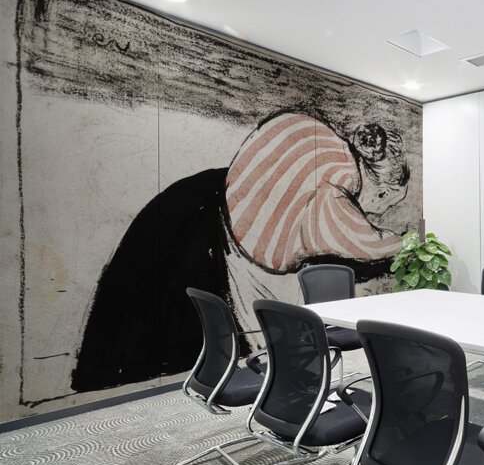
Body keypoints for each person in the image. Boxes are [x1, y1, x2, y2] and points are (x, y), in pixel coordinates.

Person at [70, 112, 410, 392]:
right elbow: (363, 242)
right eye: (382, 202)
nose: (374, 212)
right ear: (379, 188)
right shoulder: (337, 185)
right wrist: (408, 241)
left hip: (206, 201)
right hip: (213, 236)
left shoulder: (328, 149)